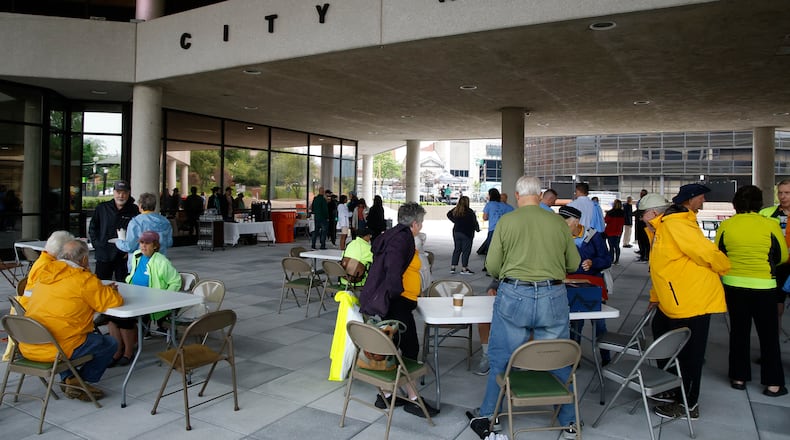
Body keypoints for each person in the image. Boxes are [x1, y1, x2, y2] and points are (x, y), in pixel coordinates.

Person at [471, 176, 581, 440]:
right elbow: (574, 264)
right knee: (557, 357)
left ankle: (489, 415)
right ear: (540, 194)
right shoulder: (557, 222)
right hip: (553, 295)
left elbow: (493, 266)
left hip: (514, 295)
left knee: (501, 357)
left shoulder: (508, 221)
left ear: (518, 195)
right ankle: (569, 422)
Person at [648, 183, 730, 421]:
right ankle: (673, 386)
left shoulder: (675, 223)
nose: (703, 201)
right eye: (702, 197)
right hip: (677, 297)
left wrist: (724, 266)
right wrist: (655, 296)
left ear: (653, 213)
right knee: (661, 332)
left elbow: (705, 252)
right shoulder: (666, 225)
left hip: (693, 299)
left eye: (642, 214)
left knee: (691, 354)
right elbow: (662, 266)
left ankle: (688, 404)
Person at [358, 202, 438, 417]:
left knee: (391, 345)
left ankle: (385, 394)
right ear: (415, 223)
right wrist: (396, 295)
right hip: (397, 302)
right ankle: (413, 399)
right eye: (420, 223)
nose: (421, 226)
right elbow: (393, 268)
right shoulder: (402, 238)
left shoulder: (395, 234)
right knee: (410, 348)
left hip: (398, 301)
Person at [20, 239, 123, 401]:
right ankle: (78, 381)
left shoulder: (45, 273)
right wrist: (110, 291)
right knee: (110, 343)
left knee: (62, 333)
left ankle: (69, 377)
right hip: (57, 349)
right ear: (83, 259)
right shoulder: (83, 280)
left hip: (28, 344)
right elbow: (113, 302)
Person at [715, 185, 787, 396]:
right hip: (764, 285)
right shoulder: (770, 224)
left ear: (735, 204)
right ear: (759, 203)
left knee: (738, 331)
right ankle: (773, 384)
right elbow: (782, 255)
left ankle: (738, 378)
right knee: (768, 335)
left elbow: (718, 252)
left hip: (734, 284)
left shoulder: (726, 225)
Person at [107, 230, 181, 366]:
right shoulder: (136, 255)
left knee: (124, 319)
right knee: (111, 318)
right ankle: (117, 351)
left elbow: (176, 281)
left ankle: (128, 352)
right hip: (134, 294)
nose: (143, 246)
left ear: (155, 246)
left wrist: (165, 298)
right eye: (141, 243)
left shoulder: (162, 261)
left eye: (147, 243)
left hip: (150, 301)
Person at [560, 205, 612, 365]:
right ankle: (574, 359)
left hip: (592, 285)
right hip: (571, 285)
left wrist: (593, 262)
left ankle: (605, 358)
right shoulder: (561, 237)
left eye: (566, 223)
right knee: (575, 324)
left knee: (599, 322)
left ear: (576, 222)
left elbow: (607, 259)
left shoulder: (593, 236)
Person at [89, 180, 139, 281]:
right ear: (114, 192)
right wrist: (97, 245)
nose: (121, 196)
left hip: (123, 256)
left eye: (124, 193)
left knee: (125, 286)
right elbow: (93, 228)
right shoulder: (102, 208)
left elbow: (138, 233)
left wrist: (130, 249)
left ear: (128, 193)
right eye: (118, 192)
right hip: (104, 255)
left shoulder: (134, 210)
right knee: (101, 285)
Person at [759, 179, 790, 332]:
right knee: (775, 306)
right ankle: (774, 344)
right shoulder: (766, 214)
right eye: (781, 193)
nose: (783, 196)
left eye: (787, 193)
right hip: (777, 265)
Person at [115, 192, 173, 259]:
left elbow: (130, 246)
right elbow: (169, 243)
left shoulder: (135, 222)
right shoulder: (165, 221)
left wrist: (118, 242)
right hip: (159, 261)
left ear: (140, 205)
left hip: (140, 262)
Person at [446, 195, 480, 274]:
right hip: (467, 233)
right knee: (466, 251)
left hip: (456, 232)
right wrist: (477, 229)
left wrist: (455, 221)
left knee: (457, 249)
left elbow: (448, 214)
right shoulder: (470, 211)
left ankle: (453, 267)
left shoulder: (456, 210)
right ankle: (464, 268)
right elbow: (474, 222)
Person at [476, 188, 514, 255]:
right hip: (505, 230)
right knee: (503, 249)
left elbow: (484, 218)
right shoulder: (508, 207)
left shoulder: (489, 204)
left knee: (490, 250)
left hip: (493, 230)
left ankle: (490, 264)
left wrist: (492, 216)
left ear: (491, 195)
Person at [604, 199, 626, 264]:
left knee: (611, 246)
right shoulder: (622, 213)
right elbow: (623, 222)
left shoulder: (610, 212)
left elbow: (606, 221)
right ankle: (617, 260)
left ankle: (611, 259)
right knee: (617, 246)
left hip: (610, 231)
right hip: (618, 231)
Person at [634, 189, 650, 261]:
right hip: (639, 221)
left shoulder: (646, 202)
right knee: (640, 239)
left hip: (643, 222)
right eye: (641, 193)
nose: (641, 195)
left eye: (643, 194)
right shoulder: (640, 201)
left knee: (645, 239)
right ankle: (642, 253)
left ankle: (645, 255)